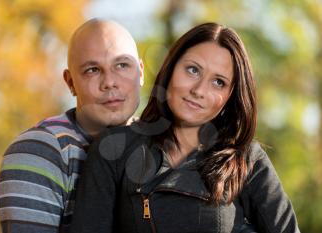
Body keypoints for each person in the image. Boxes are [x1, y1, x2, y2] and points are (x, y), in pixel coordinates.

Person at [69, 22, 300, 233]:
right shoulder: (113, 149)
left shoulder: (246, 159)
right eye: (193, 70)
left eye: (218, 82)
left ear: (230, 96)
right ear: (171, 68)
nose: (199, 90)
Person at [0, 18, 144, 233]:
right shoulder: (37, 151)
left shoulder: (165, 146)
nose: (110, 82)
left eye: (122, 65)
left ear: (140, 71)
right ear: (70, 82)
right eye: (92, 70)